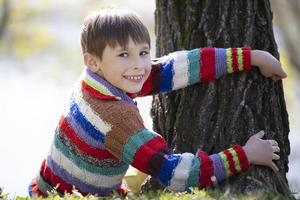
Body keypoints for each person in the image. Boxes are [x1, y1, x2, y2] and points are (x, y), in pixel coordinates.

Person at [29, 7, 286, 197]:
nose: (139, 65)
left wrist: (250, 57)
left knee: (137, 169)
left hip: (46, 186)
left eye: (143, 52)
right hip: (65, 196)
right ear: (92, 60)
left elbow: (175, 68)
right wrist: (245, 155)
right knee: (145, 164)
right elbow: (177, 174)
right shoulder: (116, 118)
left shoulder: (97, 80)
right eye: (123, 54)